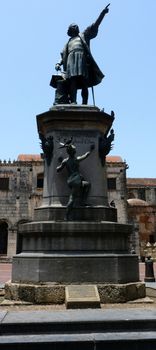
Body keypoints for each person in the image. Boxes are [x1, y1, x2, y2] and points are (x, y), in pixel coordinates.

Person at [55, 4, 110, 104]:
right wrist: (58, 63)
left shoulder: (83, 35)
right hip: (71, 60)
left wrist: (102, 14)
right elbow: (63, 55)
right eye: (73, 27)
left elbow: (94, 26)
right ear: (70, 30)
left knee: (84, 82)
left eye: (75, 26)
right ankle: (73, 101)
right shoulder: (68, 43)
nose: (75, 27)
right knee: (73, 81)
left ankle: (85, 102)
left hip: (82, 59)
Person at [56, 142, 95, 220]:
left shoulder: (65, 161)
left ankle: (83, 202)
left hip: (71, 180)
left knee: (87, 185)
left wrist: (60, 163)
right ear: (73, 152)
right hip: (76, 180)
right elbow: (86, 155)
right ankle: (66, 216)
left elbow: (58, 169)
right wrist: (91, 150)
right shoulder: (76, 159)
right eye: (74, 150)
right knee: (72, 198)